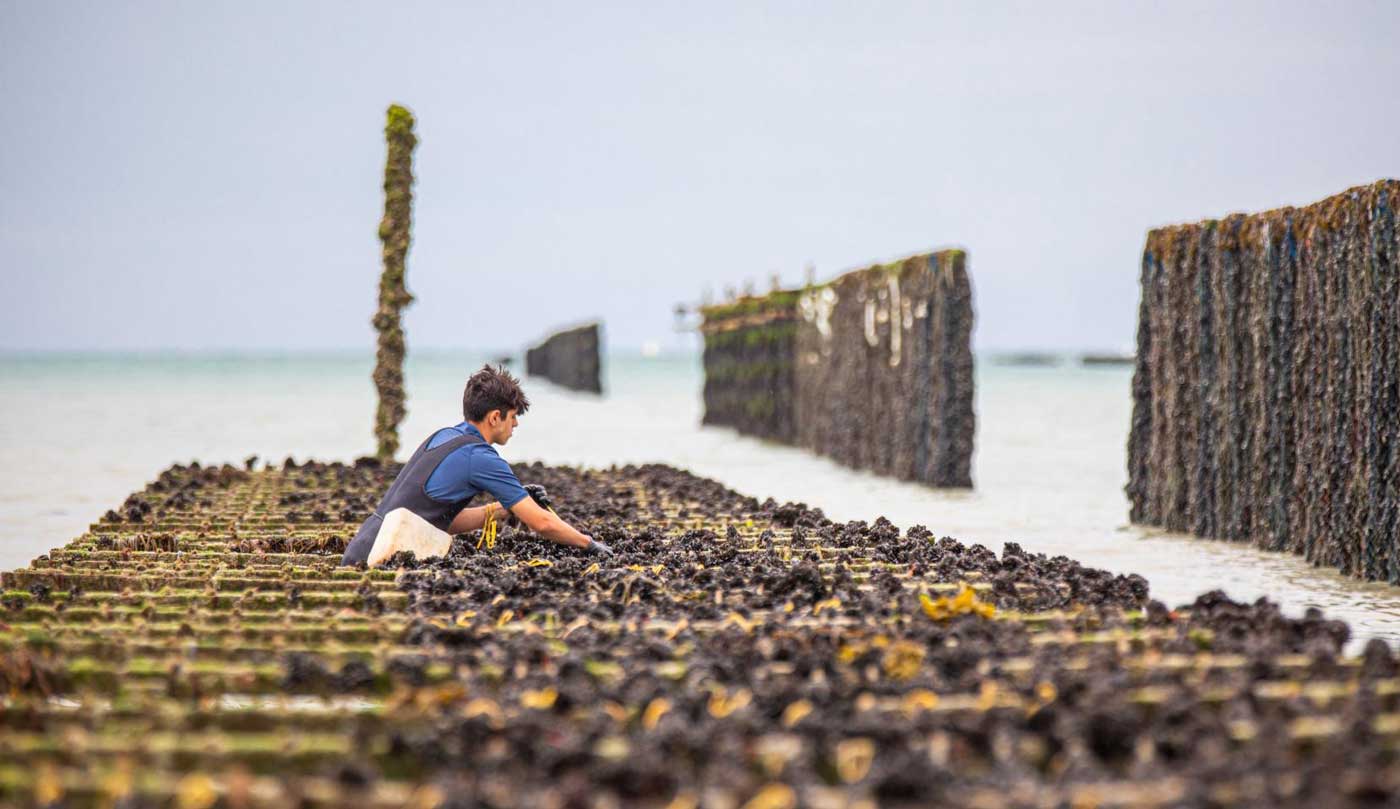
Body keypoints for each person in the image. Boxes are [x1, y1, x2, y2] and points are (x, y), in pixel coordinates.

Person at [341, 364, 611, 566]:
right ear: (495, 417)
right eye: (513, 417)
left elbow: (440, 520)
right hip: (383, 557)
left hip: (362, 548)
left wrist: (503, 509)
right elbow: (542, 523)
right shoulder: (481, 458)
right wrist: (590, 545)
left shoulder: (443, 436)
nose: (515, 424)